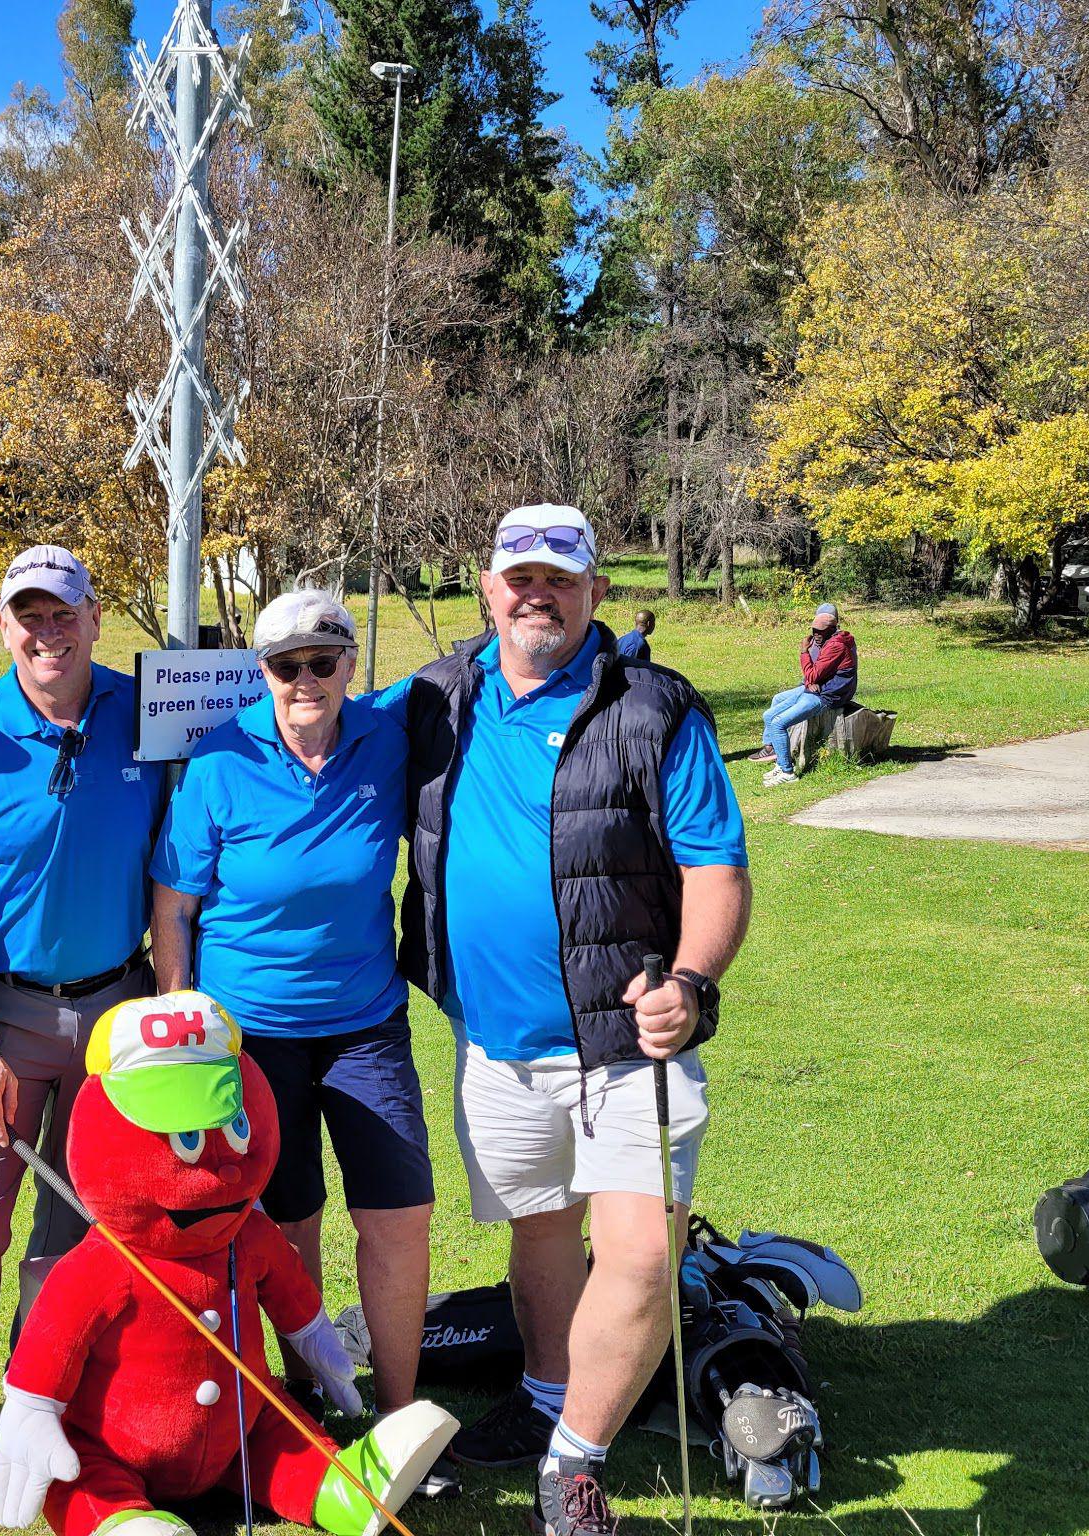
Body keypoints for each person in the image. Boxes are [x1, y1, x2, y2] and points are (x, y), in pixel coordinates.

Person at [383, 504, 752, 1536]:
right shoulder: (434, 697)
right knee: (540, 1235)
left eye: (557, 578)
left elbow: (715, 868)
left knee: (637, 1249)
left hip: (626, 1039)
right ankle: (548, 1394)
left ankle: (574, 1464)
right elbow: (302, 704)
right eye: (517, 577)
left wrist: (689, 977)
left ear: (591, 590)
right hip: (491, 1042)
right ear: (486, 588)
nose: (534, 594)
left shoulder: (652, 706)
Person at [0, 545, 163, 1536]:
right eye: (27, 616)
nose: (45, 633)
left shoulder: (147, 713)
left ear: (96, 619)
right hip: (2, 1020)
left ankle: (44, 1417)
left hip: (116, 1012)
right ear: (5, 625)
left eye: (63, 614)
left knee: (81, 1238)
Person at [150, 589, 434, 1427]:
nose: (304, 679)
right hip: (251, 1032)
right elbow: (174, 904)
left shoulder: (387, 738)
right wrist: (181, 1018)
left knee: (398, 1212)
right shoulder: (220, 761)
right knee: (289, 1215)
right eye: (285, 665)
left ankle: (397, 1410)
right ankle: (307, 1395)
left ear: (350, 665)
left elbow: (480, 671)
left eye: (322, 660)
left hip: (365, 1026)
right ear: (261, 672)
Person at [752, 602, 858, 786]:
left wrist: (803, 651)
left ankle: (787, 772)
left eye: (820, 631)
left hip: (827, 696)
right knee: (769, 715)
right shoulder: (827, 641)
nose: (815, 635)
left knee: (778, 723)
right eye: (814, 630)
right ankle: (779, 759)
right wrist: (811, 680)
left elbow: (813, 672)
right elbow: (813, 674)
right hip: (816, 689)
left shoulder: (835, 646)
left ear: (832, 629)